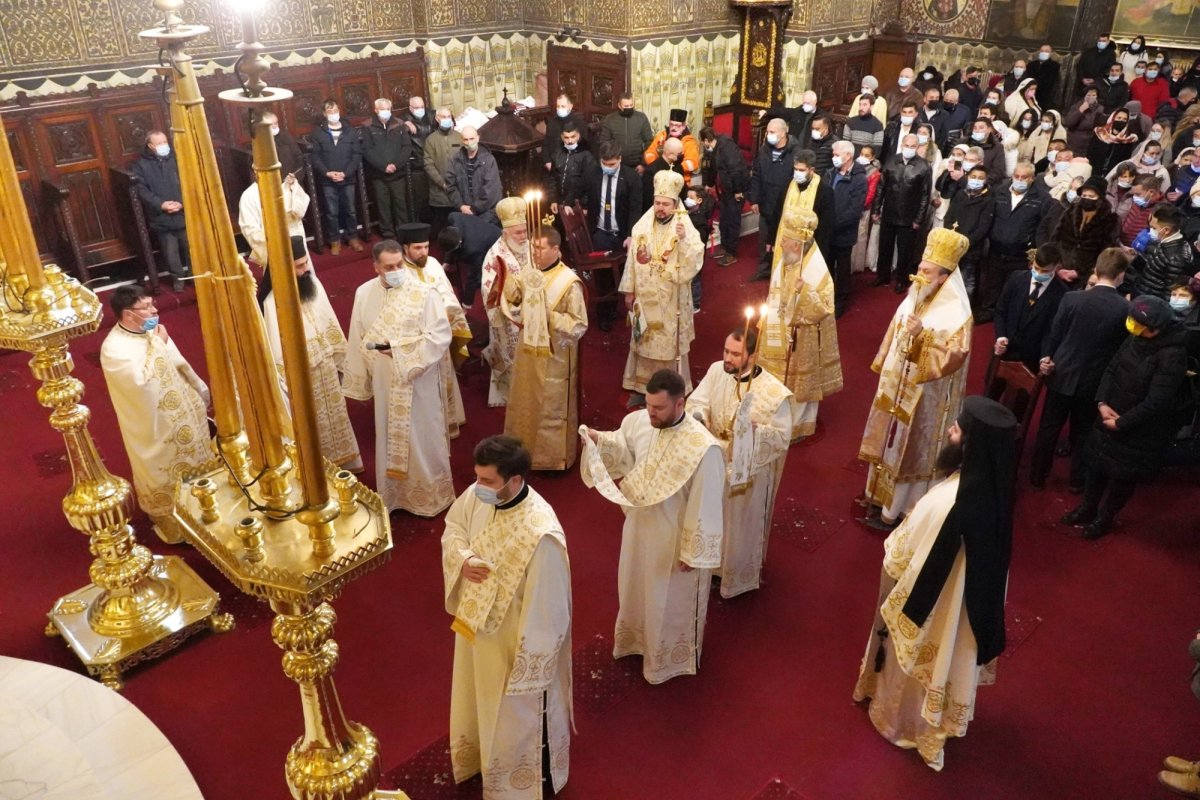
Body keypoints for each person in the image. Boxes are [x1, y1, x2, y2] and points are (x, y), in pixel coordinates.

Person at [853, 396, 1018, 772]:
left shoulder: (948, 503)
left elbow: (899, 556)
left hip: (929, 609)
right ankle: (933, 725)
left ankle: (899, 724)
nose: (949, 431)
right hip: (961, 615)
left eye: (956, 429)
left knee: (909, 665)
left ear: (971, 445)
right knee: (944, 664)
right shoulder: (997, 494)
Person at [442, 435, 572, 800]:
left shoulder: (541, 533)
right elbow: (454, 528)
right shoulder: (479, 494)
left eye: (487, 481)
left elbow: (549, 609)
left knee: (516, 715)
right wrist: (463, 559)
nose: (477, 487)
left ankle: (524, 781)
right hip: (475, 628)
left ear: (515, 480)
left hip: (512, 642)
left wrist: (530, 667)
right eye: (477, 478)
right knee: (475, 696)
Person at [579, 369, 725, 684]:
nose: (651, 413)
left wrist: (693, 550)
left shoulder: (704, 448)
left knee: (667, 598)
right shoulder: (641, 421)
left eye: (658, 408)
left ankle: (668, 658)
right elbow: (623, 448)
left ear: (680, 404)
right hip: (639, 524)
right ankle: (635, 641)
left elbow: (707, 499)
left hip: (673, 536)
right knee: (634, 584)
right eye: (648, 405)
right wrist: (598, 440)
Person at [859, 228, 973, 529]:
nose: (917, 276)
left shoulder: (957, 312)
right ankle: (876, 495)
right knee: (888, 438)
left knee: (908, 449)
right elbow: (896, 329)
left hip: (926, 397)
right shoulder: (916, 296)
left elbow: (955, 355)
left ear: (943, 277)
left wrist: (922, 338)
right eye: (919, 269)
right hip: (897, 385)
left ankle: (898, 509)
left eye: (926, 271)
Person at [344, 232, 455, 516]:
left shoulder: (423, 293)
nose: (396, 272)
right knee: (387, 430)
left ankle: (431, 495)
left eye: (399, 266)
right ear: (376, 268)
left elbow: (441, 336)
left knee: (423, 432)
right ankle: (396, 497)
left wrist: (403, 353)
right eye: (389, 267)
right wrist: (360, 379)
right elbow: (357, 334)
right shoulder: (363, 292)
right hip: (383, 377)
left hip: (417, 376)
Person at [1063, 295, 1187, 538]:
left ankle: (1104, 518)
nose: (1132, 326)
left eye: (1138, 324)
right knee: (1096, 467)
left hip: (1137, 429)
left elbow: (1157, 401)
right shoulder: (1134, 338)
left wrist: (1121, 422)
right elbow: (1111, 368)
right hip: (1109, 414)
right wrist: (1101, 402)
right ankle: (1087, 508)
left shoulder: (1173, 355)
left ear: (1156, 329)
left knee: (1122, 478)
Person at [686, 329, 793, 598]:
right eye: (726, 351)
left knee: (737, 526)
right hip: (713, 458)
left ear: (752, 355)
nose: (728, 358)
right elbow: (697, 401)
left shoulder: (773, 393)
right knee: (709, 516)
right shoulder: (715, 371)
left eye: (736, 353)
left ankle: (733, 575)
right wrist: (700, 416)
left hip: (747, 472)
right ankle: (708, 564)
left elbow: (781, 437)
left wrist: (756, 434)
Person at [100, 285, 210, 543]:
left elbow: (177, 361)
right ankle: (178, 527)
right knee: (168, 470)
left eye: (152, 304)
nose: (154, 310)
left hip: (183, 415)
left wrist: (198, 389)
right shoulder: (114, 349)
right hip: (155, 428)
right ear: (128, 315)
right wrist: (159, 346)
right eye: (147, 307)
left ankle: (207, 509)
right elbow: (142, 385)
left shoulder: (149, 329)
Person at [1029, 248, 1132, 490]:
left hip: (1062, 373)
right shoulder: (1125, 309)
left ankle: (1037, 476)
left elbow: (1055, 334)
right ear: (1121, 275)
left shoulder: (1072, 298)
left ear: (1096, 270)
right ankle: (1077, 481)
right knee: (1083, 433)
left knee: (1048, 429)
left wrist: (1047, 358)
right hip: (1094, 381)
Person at [258, 236, 362, 472]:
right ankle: (320, 469)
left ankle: (345, 461)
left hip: (324, 363)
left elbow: (329, 320)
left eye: (306, 263)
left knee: (335, 413)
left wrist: (338, 356)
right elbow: (276, 345)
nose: (306, 269)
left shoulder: (313, 284)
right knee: (311, 422)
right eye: (299, 266)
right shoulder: (273, 302)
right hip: (301, 373)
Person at [502, 228, 588, 470]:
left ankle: (550, 459)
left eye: (539, 248)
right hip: (527, 352)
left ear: (556, 249)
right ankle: (521, 450)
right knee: (524, 400)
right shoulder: (531, 273)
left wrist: (547, 315)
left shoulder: (569, 283)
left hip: (555, 357)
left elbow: (578, 325)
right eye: (533, 248)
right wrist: (508, 279)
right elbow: (515, 297)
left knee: (550, 406)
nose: (535, 253)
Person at [758, 207, 842, 438]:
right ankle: (778, 415)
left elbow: (825, 306)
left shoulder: (816, 269)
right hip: (781, 328)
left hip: (804, 335)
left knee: (802, 381)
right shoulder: (787, 261)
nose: (781, 244)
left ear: (797, 244)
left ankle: (800, 424)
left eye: (785, 240)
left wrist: (803, 292)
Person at [620, 170, 704, 403]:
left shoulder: (683, 227)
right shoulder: (641, 227)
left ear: (675, 204)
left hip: (671, 297)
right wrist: (629, 291)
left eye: (666, 204)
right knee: (643, 337)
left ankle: (670, 388)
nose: (661, 208)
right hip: (645, 295)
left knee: (668, 344)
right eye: (657, 203)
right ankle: (641, 387)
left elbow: (697, 256)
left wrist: (685, 238)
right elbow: (631, 261)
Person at [479, 197, 529, 407]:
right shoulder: (495, 256)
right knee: (510, 359)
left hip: (531, 314)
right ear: (505, 232)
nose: (524, 236)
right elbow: (488, 291)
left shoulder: (529, 246)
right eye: (518, 233)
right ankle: (510, 395)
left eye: (525, 231)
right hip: (509, 317)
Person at [979, 162, 1043, 321]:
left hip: (1020, 253)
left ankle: (1005, 316)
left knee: (1012, 287)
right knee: (992, 284)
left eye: (1024, 177)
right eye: (1017, 176)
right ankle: (988, 310)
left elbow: (1041, 227)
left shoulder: (1042, 198)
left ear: (1032, 178)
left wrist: (1033, 252)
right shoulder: (999, 192)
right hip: (995, 248)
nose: (1020, 180)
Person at [993, 242, 1069, 373]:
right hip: (1006, 348)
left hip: (1032, 357)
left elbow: (1052, 330)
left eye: (1045, 271)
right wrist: (1001, 336)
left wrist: (1045, 356)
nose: (1038, 273)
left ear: (1057, 267)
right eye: (1036, 268)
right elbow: (1001, 310)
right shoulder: (1016, 278)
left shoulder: (1062, 294)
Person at [131, 130, 190, 292]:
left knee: (191, 248)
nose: (164, 146)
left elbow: (189, 181)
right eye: (159, 144)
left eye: (165, 142)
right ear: (150, 146)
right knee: (171, 253)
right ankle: (178, 279)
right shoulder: (141, 165)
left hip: (183, 212)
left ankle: (195, 276)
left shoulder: (177, 159)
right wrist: (161, 204)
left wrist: (182, 202)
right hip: (161, 216)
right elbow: (142, 190)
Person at [872, 133, 932, 291]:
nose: (909, 149)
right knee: (884, 247)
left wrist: (919, 219)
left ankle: (902, 279)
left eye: (913, 146)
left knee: (905, 251)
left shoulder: (924, 166)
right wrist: (876, 209)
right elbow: (880, 188)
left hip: (909, 216)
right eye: (907, 146)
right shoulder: (891, 160)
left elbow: (925, 196)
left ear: (918, 147)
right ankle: (882, 275)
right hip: (889, 212)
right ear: (902, 145)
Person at [309, 100, 363, 255]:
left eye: (335, 110)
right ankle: (335, 240)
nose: (333, 114)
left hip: (348, 178)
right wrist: (327, 173)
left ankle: (352, 237)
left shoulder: (349, 131)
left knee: (351, 210)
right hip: (328, 180)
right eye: (329, 111)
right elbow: (316, 157)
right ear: (324, 114)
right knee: (331, 212)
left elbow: (356, 155)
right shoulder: (318, 133)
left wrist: (345, 173)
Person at [748, 118, 797, 277]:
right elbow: (756, 175)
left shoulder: (795, 153)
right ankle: (763, 269)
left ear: (783, 133)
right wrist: (754, 199)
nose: (768, 135)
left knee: (782, 240)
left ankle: (780, 272)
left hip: (784, 205)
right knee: (763, 239)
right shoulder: (764, 150)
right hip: (765, 202)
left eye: (772, 132)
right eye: (768, 132)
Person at [362, 98, 416, 239]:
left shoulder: (399, 124)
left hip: (398, 173)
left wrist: (396, 165)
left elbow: (407, 146)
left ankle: (403, 232)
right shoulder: (367, 126)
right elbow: (367, 150)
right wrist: (383, 166)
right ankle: (388, 234)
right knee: (383, 206)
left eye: (388, 108)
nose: (386, 112)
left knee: (400, 205)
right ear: (375, 110)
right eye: (382, 109)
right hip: (379, 174)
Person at [1055, 176, 1119, 288]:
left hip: (1084, 277)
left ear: (1100, 198)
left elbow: (1105, 253)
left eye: (1091, 196)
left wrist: (1080, 273)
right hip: (1059, 270)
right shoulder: (1071, 212)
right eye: (1084, 195)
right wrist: (1057, 267)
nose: (1086, 198)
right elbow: (1056, 238)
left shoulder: (1110, 220)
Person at [827, 140, 868, 315]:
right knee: (826, 267)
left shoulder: (859, 179)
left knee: (842, 271)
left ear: (848, 156)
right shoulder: (830, 173)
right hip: (827, 232)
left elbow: (854, 209)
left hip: (843, 233)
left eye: (836, 155)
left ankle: (840, 302)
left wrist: (833, 224)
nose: (833, 158)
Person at [942, 163, 994, 299]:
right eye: (973, 176)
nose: (976, 180)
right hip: (952, 246)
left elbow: (983, 228)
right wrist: (950, 237)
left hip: (971, 249)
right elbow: (949, 217)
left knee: (967, 282)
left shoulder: (988, 200)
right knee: (948, 280)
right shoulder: (960, 194)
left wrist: (964, 243)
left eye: (980, 178)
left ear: (986, 180)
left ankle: (964, 312)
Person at [699, 126, 749, 266]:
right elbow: (708, 168)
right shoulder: (711, 149)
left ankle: (731, 253)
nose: (703, 146)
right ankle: (725, 246)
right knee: (724, 219)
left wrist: (738, 190)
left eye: (703, 143)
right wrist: (707, 184)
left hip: (735, 190)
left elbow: (736, 169)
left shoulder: (727, 146)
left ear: (707, 140)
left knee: (732, 221)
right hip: (724, 190)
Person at [238, 174, 309, 268]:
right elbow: (249, 228)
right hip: (274, 247)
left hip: (297, 243)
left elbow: (299, 212)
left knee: (305, 274)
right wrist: (274, 245)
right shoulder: (249, 195)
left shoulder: (283, 187)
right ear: (255, 171)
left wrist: (293, 188)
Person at [1133, 205, 1195, 299]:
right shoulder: (1161, 242)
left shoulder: (1176, 259)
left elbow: (1168, 293)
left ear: (1166, 230)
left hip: (1148, 306)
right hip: (1140, 296)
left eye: (1154, 228)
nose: (1151, 231)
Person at [446, 126, 503, 226]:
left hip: (487, 215)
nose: (469, 142)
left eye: (472, 139)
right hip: (464, 213)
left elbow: (491, 191)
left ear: (478, 138)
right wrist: (461, 206)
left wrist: (474, 209)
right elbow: (450, 185)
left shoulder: (488, 159)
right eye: (466, 139)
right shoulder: (455, 159)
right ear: (462, 140)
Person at [424, 106, 464, 235]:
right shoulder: (431, 140)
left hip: (459, 189)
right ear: (437, 118)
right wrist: (442, 183)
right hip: (439, 192)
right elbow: (428, 165)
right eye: (443, 117)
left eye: (448, 117)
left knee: (459, 226)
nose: (447, 120)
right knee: (443, 228)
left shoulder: (459, 137)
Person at [546, 121, 596, 216]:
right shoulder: (557, 154)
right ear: (561, 137)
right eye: (566, 137)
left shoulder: (586, 156)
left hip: (578, 204)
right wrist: (553, 200)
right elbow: (552, 178)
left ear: (578, 136)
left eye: (573, 137)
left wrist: (585, 206)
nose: (570, 141)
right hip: (560, 203)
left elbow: (590, 183)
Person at [643, 109, 701, 183]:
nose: (673, 128)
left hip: (680, 180)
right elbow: (649, 153)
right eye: (671, 124)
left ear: (684, 126)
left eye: (677, 125)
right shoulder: (662, 136)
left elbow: (692, 163)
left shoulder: (689, 141)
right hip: (659, 178)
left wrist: (671, 170)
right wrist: (658, 166)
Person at [601, 92, 655, 171]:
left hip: (637, 165)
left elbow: (649, 142)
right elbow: (604, 142)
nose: (629, 108)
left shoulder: (641, 118)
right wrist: (610, 163)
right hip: (616, 164)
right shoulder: (610, 119)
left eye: (631, 105)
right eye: (626, 106)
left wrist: (643, 164)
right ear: (619, 105)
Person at [543, 93, 588, 173]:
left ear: (570, 106)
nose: (560, 109)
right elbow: (546, 143)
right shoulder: (552, 123)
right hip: (553, 164)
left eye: (563, 106)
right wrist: (547, 162)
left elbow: (583, 147)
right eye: (558, 106)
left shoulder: (579, 123)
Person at [260, 111, 307, 185]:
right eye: (271, 125)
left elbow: (300, 158)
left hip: (293, 180)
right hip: (274, 184)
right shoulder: (260, 143)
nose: (275, 126)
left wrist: (294, 176)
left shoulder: (286, 137)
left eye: (276, 123)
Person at [641, 137, 686, 212]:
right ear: (670, 155)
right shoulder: (651, 171)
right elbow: (648, 199)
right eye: (679, 154)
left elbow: (682, 190)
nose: (682, 155)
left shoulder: (679, 167)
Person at [1027, 44, 1061, 110]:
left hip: (1045, 96)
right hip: (1029, 92)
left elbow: (1050, 81)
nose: (1043, 53)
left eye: (1046, 51)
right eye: (1042, 51)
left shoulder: (1054, 66)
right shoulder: (1031, 64)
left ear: (1050, 53)